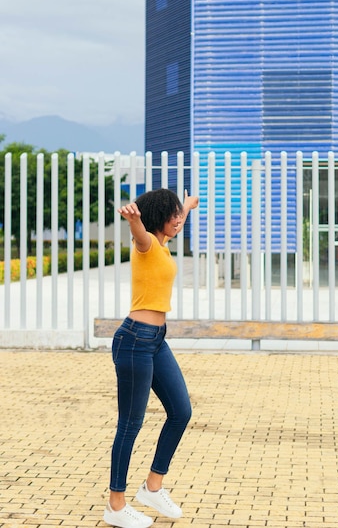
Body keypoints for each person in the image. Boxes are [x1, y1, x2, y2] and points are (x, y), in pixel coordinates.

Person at [104, 188, 199, 528]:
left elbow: (170, 226)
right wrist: (133, 220)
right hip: (134, 342)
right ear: (158, 217)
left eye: (179, 216)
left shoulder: (161, 245)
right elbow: (141, 233)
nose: (178, 220)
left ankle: (152, 486)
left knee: (181, 411)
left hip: (156, 341)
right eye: (172, 214)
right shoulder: (145, 243)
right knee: (130, 424)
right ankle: (116, 505)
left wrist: (186, 206)